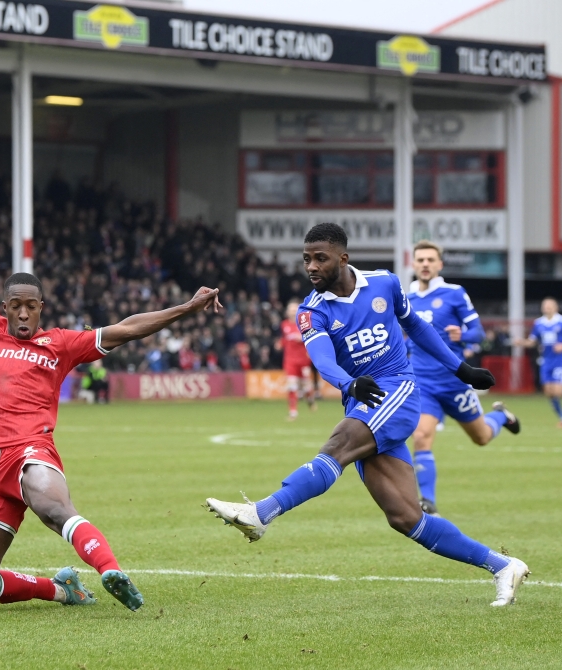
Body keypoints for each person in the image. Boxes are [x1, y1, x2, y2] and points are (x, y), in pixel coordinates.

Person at [0, 193, 221, 612]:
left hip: (31, 451)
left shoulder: (61, 344)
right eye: (16, 306)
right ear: (4, 308)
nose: (23, 314)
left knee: (52, 506)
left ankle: (110, 569)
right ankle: (62, 590)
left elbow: (126, 329)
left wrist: (186, 307)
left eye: (31, 306)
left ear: (42, 309)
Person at [206, 223, 529, 607]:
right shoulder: (311, 311)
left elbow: (417, 327)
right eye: (306, 259)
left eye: (320, 258)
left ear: (343, 258)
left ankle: (262, 512)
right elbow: (323, 360)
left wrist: (461, 369)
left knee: (337, 446)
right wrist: (347, 383)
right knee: (406, 518)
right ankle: (503, 565)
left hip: (398, 389)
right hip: (362, 400)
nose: (311, 266)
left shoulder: (385, 284)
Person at [407, 241, 520, 516]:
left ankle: (501, 417)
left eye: (430, 260)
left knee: (481, 437)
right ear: (413, 264)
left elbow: (479, 333)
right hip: (422, 381)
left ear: (440, 264)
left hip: (454, 380)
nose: (425, 264)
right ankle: (428, 503)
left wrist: (463, 335)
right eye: (420, 259)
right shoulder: (405, 297)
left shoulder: (454, 293)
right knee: (421, 436)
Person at [515, 297, 562, 427]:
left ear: (555, 307)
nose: (546, 307)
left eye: (549, 305)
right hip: (546, 361)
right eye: (544, 305)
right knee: (548, 392)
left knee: (558, 391)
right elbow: (533, 342)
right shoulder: (538, 323)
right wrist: (522, 342)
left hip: (559, 360)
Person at [281, 299, 320, 419]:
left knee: (306, 387)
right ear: (287, 312)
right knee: (292, 386)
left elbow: (312, 337)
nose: (293, 312)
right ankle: (293, 412)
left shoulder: (304, 324)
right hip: (290, 361)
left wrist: (301, 338)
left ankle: (310, 400)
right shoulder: (284, 325)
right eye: (291, 310)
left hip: (303, 361)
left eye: (295, 309)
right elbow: (284, 340)